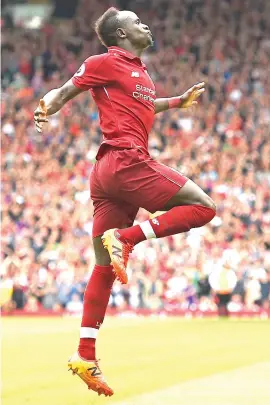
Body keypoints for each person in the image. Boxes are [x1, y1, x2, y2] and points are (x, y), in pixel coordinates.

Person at [34, 7, 216, 397]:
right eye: (136, 21)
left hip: (106, 175)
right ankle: (129, 238)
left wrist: (176, 102)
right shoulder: (104, 61)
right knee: (204, 207)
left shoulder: (140, 73)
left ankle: (85, 353)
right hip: (125, 160)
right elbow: (66, 90)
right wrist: (45, 106)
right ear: (120, 33)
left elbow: (143, 107)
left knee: (102, 268)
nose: (145, 24)